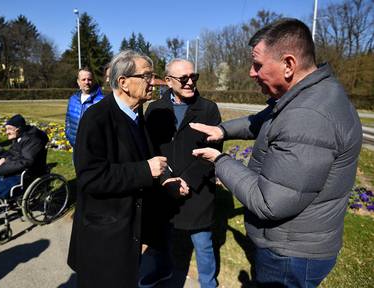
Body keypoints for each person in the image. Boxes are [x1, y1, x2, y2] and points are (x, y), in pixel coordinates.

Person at [191, 18, 362, 288]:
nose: (251, 72)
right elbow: (263, 121)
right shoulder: (306, 95)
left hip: (290, 254)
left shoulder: (308, 115)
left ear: (289, 64)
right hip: (294, 245)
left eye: (257, 65)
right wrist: (221, 131)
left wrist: (220, 160)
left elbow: (268, 201)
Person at [67, 50, 189, 288]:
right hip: (103, 239)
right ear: (123, 82)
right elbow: (91, 178)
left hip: (125, 235)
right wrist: (145, 170)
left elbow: (146, 159)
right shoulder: (96, 119)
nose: (153, 82)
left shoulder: (135, 115)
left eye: (153, 76)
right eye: (146, 76)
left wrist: (164, 179)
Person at [143, 59, 222, 288]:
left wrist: (187, 180)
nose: (190, 82)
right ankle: (163, 270)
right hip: (164, 187)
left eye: (193, 77)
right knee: (161, 238)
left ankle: (209, 284)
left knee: (203, 243)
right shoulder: (155, 109)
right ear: (168, 81)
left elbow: (213, 152)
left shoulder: (208, 108)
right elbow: (150, 148)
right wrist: (166, 178)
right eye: (183, 78)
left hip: (197, 190)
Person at [65, 67, 104, 148]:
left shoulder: (101, 101)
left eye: (89, 79)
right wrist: (69, 136)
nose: (87, 82)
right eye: (83, 79)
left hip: (93, 149)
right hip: (75, 147)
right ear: (78, 82)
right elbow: (68, 120)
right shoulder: (73, 99)